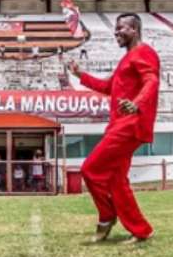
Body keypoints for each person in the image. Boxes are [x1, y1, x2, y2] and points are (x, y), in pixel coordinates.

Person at [67, 13, 159, 244]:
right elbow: (109, 87)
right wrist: (80, 75)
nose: (116, 32)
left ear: (134, 30)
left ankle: (107, 217)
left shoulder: (143, 52)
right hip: (119, 124)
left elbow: (152, 80)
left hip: (130, 124)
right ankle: (141, 231)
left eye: (121, 28)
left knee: (90, 169)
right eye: (116, 28)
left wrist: (136, 103)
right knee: (117, 181)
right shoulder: (127, 59)